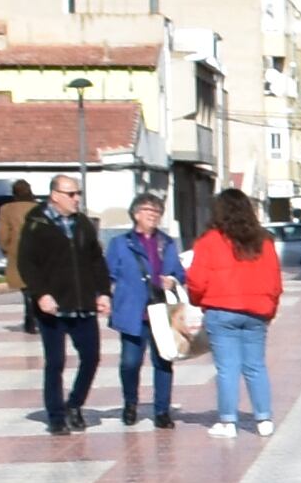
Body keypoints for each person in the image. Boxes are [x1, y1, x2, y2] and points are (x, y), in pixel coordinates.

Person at [189, 185, 284, 436]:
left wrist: (197, 300)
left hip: (221, 311)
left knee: (227, 367)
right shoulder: (264, 241)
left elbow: (197, 279)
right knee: (255, 366)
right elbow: (275, 281)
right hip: (257, 311)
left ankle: (228, 421)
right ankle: (264, 420)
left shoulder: (209, 241)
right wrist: (270, 310)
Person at [16, 171, 106, 434]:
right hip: (52, 306)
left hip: (82, 303)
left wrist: (102, 292)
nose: (76, 199)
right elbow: (27, 264)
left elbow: (96, 260)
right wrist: (40, 293)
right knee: (55, 362)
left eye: (78, 193)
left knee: (91, 357)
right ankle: (55, 416)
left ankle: (75, 404)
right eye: (71, 194)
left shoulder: (83, 224)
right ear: (55, 196)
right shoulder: (36, 224)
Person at [106, 191, 188, 430]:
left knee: (163, 362)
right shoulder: (121, 244)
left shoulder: (167, 243)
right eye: (148, 211)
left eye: (157, 212)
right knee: (130, 363)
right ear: (136, 214)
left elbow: (179, 273)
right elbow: (108, 274)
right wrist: (106, 298)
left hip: (162, 312)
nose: (154, 216)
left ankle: (162, 410)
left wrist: (172, 280)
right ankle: (130, 403)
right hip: (133, 312)